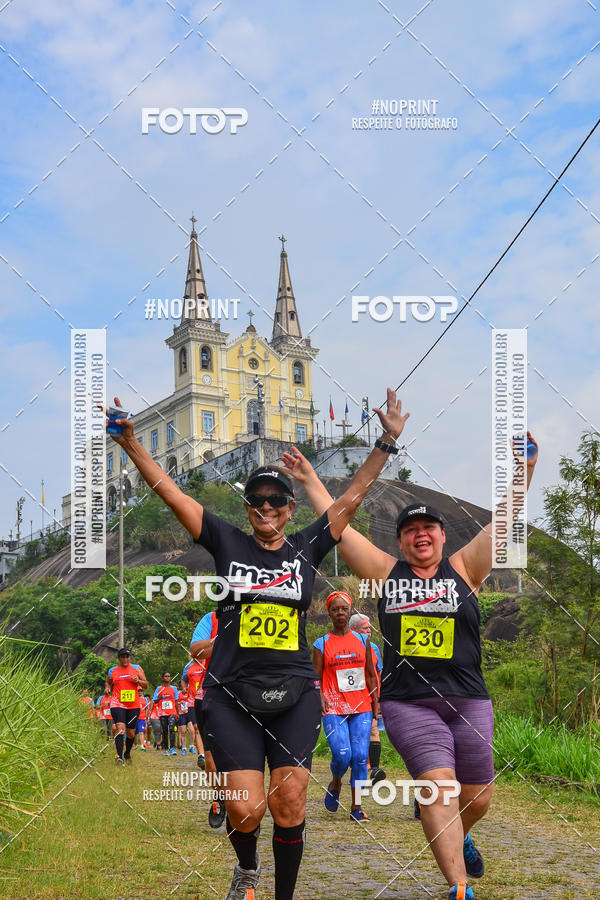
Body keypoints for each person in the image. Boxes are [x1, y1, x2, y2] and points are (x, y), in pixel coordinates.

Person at [105, 390, 408, 900]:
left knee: (290, 802)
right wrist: (133, 444)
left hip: (294, 691)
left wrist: (387, 440)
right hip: (230, 693)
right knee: (246, 808)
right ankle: (246, 868)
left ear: (291, 508)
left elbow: (354, 495)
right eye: (258, 501)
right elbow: (171, 494)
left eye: (277, 500)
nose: (267, 507)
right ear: (247, 508)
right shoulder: (227, 541)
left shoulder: (309, 545)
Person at [281, 433, 539, 900]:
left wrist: (524, 471)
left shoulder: (466, 568)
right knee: (439, 789)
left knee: (477, 797)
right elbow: (339, 524)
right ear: (401, 541)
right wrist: (310, 478)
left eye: (429, 528)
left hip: (469, 699)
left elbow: (503, 522)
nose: (421, 534)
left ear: (442, 536)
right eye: (411, 530)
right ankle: (459, 888)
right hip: (410, 704)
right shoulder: (385, 573)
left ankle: (459, 834)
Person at [312, 591, 378, 821]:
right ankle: (336, 781)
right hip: (334, 708)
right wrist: (319, 696)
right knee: (342, 755)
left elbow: (370, 674)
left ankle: (356, 807)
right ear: (329, 613)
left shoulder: (362, 640)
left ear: (350, 611)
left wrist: (375, 701)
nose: (340, 613)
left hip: (361, 706)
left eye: (344, 609)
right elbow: (316, 677)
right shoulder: (321, 644)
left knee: (360, 756)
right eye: (335, 609)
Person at [187, 609, 223, 825]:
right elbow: (196, 650)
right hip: (209, 695)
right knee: (211, 757)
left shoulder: (256, 614)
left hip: (247, 694)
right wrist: (224, 640)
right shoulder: (211, 619)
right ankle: (218, 798)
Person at [348, 612, 386, 784]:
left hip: (370, 696)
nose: (369, 630)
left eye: (369, 627)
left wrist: (379, 696)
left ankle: (375, 769)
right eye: (365, 628)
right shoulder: (345, 645)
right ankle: (357, 766)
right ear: (354, 629)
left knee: (373, 729)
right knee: (353, 734)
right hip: (350, 696)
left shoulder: (374, 648)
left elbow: (379, 672)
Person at [107, 648, 148, 764]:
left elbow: (146, 684)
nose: (125, 659)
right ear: (119, 658)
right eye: (122, 657)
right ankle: (119, 756)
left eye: (127, 657)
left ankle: (127, 753)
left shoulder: (137, 668)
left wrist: (138, 681)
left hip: (133, 705)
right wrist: (106, 688)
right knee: (120, 729)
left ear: (130, 658)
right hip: (117, 703)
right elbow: (108, 682)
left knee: (130, 732)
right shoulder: (112, 670)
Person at [153, 672, 179, 756]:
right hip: (162, 713)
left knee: (172, 729)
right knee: (164, 730)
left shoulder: (174, 688)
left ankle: (172, 748)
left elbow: (176, 701)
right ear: (162, 678)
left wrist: (177, 713)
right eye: (165, 676)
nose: (167, 677)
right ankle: (166, 748)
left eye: (169, 676)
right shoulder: (159, 689)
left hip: (172, 712)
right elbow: (155, 701)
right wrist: (160, 697)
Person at [177, 679, 196, 754]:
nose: (186, 686)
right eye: (185, 685)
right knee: (183, 732)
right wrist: (179, 703)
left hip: (189, 713)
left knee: (192, 731)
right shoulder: (179, 694)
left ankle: (191, 746)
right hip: (182, 714)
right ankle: (184, 748)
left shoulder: (191, 692)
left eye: (188, 684)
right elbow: (175, 702)